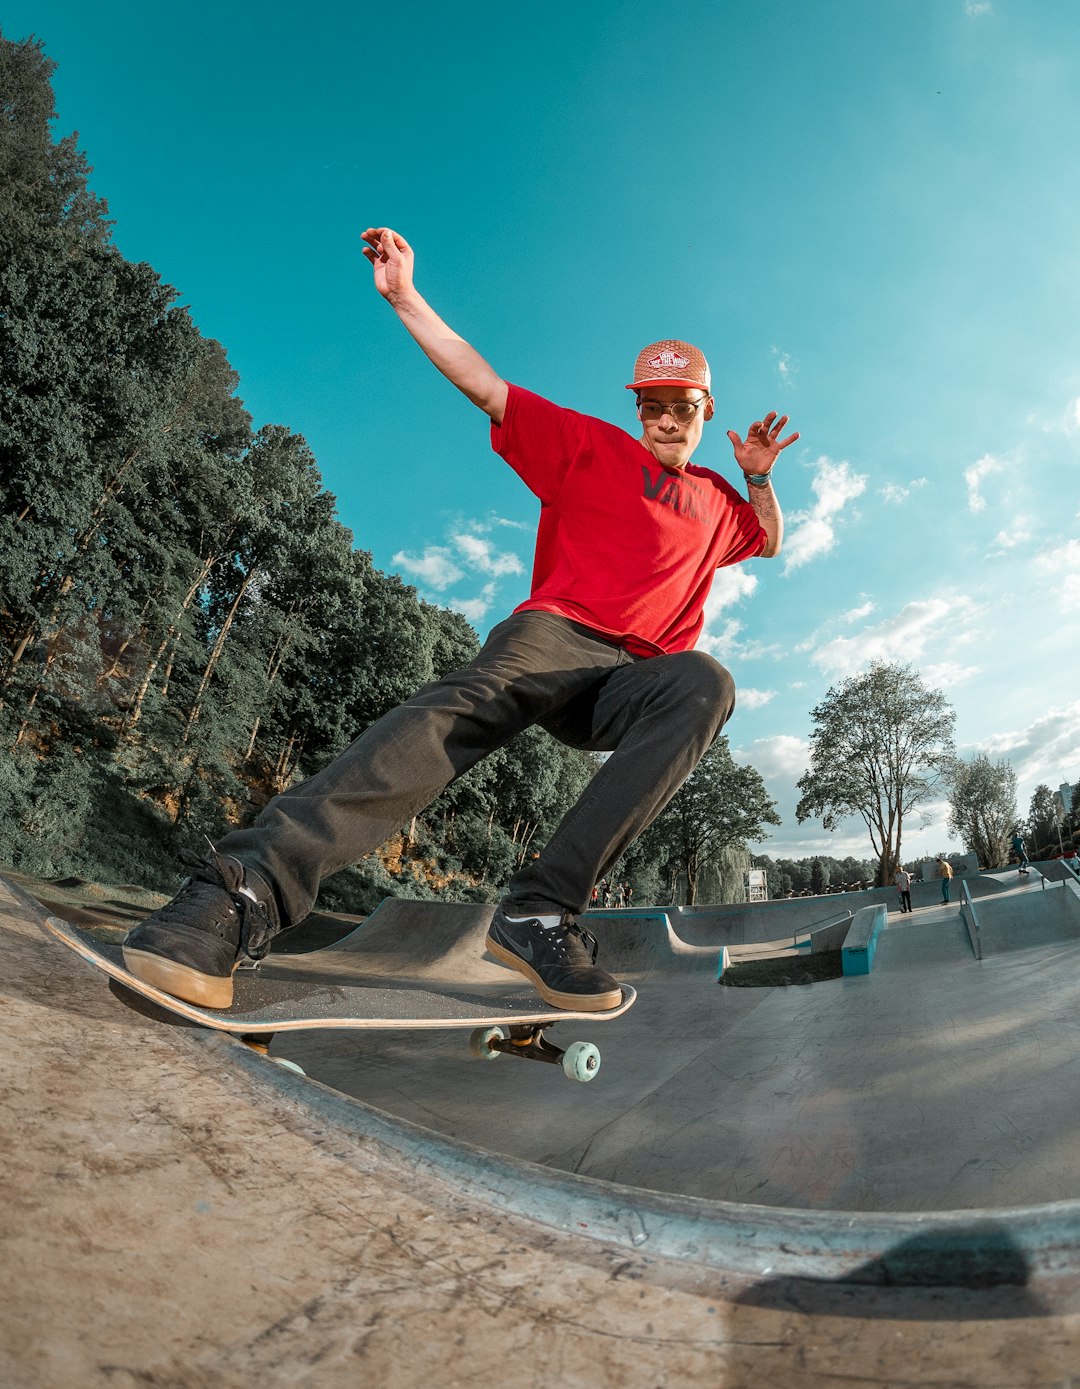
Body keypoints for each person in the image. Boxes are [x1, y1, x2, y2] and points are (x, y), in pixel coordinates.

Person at [122, 226, 798, 1015]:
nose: (667, 421)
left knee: (706, 683)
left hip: (633, 681)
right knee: (458, 714)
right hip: (555, 636)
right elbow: (486, 385)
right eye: (653, 406)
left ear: (705, 409)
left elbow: (772, 539)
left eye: (682, 408)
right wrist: (408, 298)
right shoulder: (589, 446)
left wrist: (757, 479)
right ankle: (243, 888)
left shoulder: (720, 501)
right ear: (637, 407)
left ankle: (540, 910)